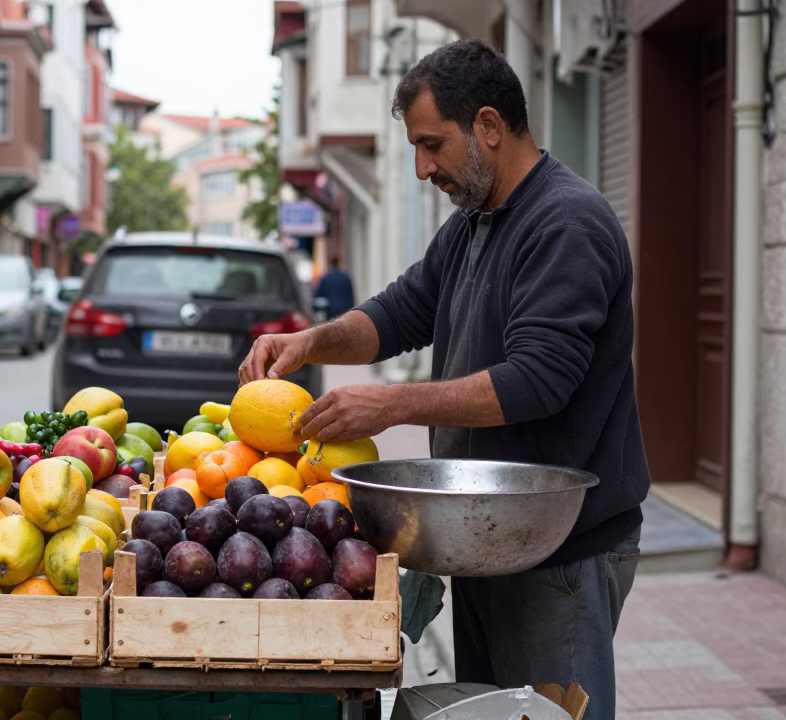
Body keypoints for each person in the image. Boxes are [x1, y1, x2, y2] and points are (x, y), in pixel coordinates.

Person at [240, 40, 648, 719]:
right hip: (491, 539)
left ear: (489, 125)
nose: (425, 167)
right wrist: (312, 340)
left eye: (433, 144)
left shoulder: (566, 222)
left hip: (561, 553)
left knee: (549, 713)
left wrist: (391, 404)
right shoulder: (472, 225)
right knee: (492, 711)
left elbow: (538, 381)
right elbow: (400, 313)